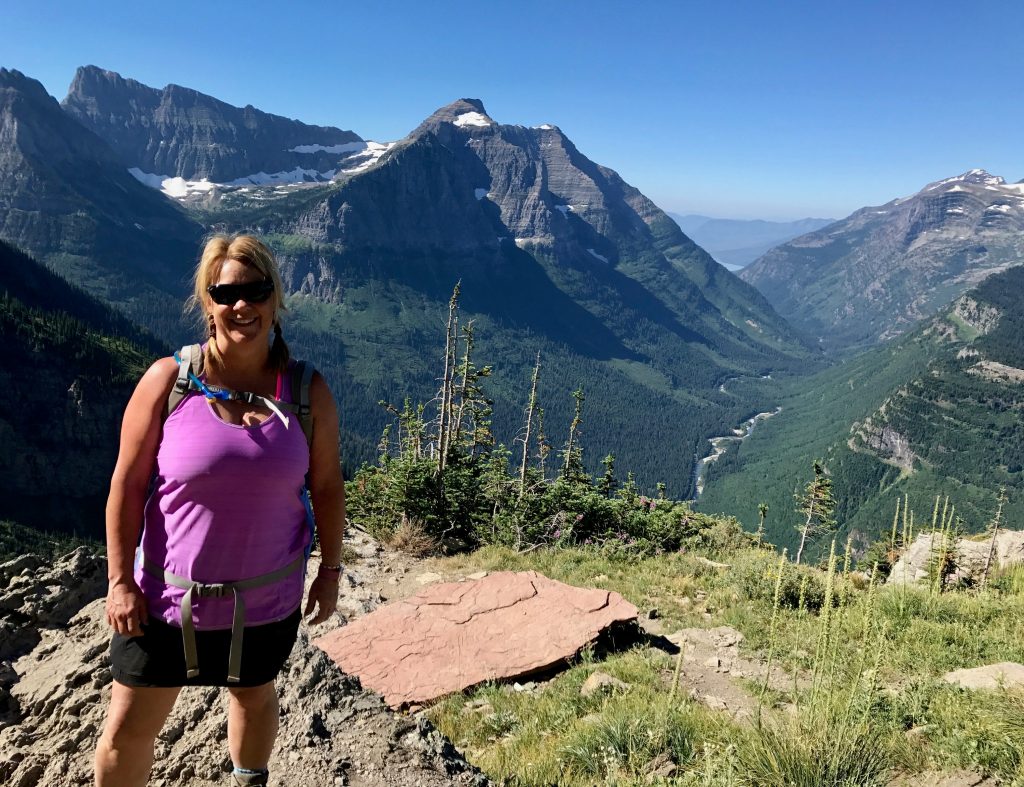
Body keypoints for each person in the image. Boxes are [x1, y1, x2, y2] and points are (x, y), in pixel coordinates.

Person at [94, 234, 346, 787]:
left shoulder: (307, 391)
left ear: (274, 299)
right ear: (207, 301)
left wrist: (330, 571)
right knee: (126, 731)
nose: (242, 305)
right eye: (226, 292)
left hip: (266, 600)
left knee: (254, 696)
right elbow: (127, 484)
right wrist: (119, 581)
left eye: (255, 290)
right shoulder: (169, 383)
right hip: (161, 604)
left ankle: (247, 779)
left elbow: (326, 488)